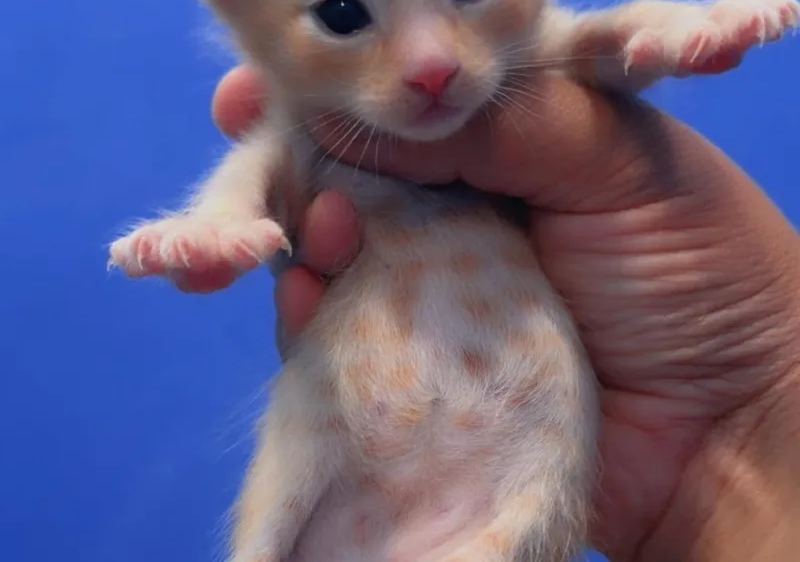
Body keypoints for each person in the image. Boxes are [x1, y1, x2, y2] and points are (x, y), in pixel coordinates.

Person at [212, 64, 800, 562]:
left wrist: (761, 401)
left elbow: (583, 46)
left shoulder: (497, 88)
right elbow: (254, 170)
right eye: (342, 15)